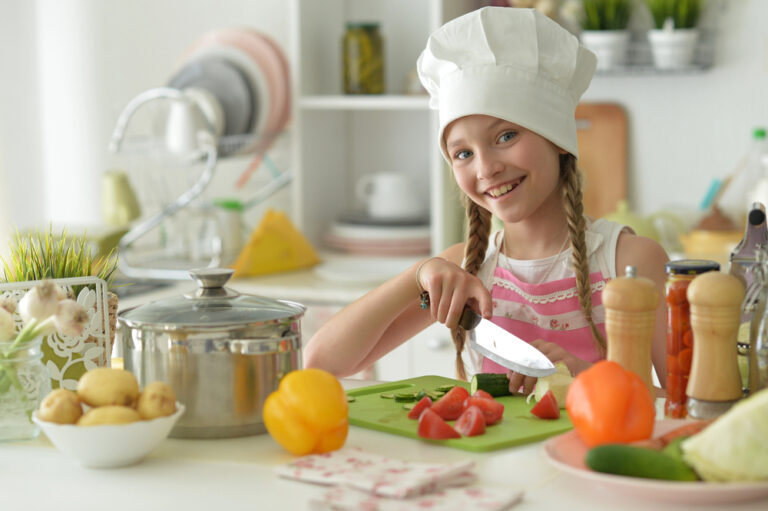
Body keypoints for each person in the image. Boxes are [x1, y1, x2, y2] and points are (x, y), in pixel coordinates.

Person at [304, 7, 669, 394]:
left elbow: (692, 405)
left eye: (506, 136)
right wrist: (418, 278)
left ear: (557, 137)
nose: (486, 168)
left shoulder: (629, 262)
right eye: (463, 153)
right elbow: (321, 363)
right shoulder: (466, 271)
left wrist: (585, 380)